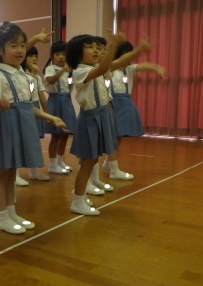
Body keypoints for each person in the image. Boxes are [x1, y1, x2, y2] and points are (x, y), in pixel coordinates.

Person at [0, 22, 67, 234]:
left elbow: (29, 106)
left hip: (20, 126)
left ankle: (11, 212)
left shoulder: (24, 75)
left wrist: (50, 117)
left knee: (12, 174)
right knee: (2, 175)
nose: (20, 50)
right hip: (4, 128)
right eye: (14, 45)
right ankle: (1, 217)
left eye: (22, 45)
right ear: (0, 50)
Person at [67, 31, 151, 215]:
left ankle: (79, 194)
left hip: (101, 115)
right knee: (87, 162)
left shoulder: (98, 68)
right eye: (90, 47)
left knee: (92, 159)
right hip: (90, 119)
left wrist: (139, 50)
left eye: (98, 47)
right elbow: (105, 66)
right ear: (76, 53)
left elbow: (119, 63)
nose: (96, 50)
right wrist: (113, 45)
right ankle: (77, 201)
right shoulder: (81, 71)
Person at [103, 41, 165, 179]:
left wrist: (157, 69)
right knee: (112, 137)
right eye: (125, 56)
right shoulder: (110, 69)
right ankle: (114, 169)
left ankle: (109, 163)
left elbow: (145, 65)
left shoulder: (129, 69)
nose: (128, 59)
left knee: (118, 137)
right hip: (112, 104)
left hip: (125, 104)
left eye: (130, 56)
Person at [43, 41, 76, 175]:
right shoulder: (50, 68)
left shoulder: (70, 71)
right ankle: (52, 164)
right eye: (58, 54)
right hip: (55, 101)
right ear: (52, 56)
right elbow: (51, 81)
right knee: (55, 135)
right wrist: (63, 70)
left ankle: (60, 161)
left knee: (65, 135)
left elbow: (70, 86)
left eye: (64, 54)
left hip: (66, 101)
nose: (61, 57)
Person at [19, 46, 50, 182]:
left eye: (36, 56)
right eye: (31, 56)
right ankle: (15, 174)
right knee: (21, 141)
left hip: (35, 107)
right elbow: (29, 94)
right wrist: (32, 76)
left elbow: (41, 95)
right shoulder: (23, 75)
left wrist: (47, 113)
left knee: (35, 141)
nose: (34, 59)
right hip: (26, 108)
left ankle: (34, 171)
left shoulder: (36, 76)